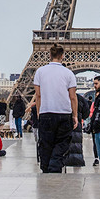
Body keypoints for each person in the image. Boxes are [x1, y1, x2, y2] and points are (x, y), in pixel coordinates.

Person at [26, 44, 77, 174]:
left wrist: (39, 113)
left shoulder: (40, 71)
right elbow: (73, 97)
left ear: (49, 55)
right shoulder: (68, 73)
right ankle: (55, 166)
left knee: (45, 144)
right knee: (62, 143)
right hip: (64, 114)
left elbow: (38, 95)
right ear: (62, 56)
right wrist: (75, 116)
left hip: (46, 113)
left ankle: (46, 168)